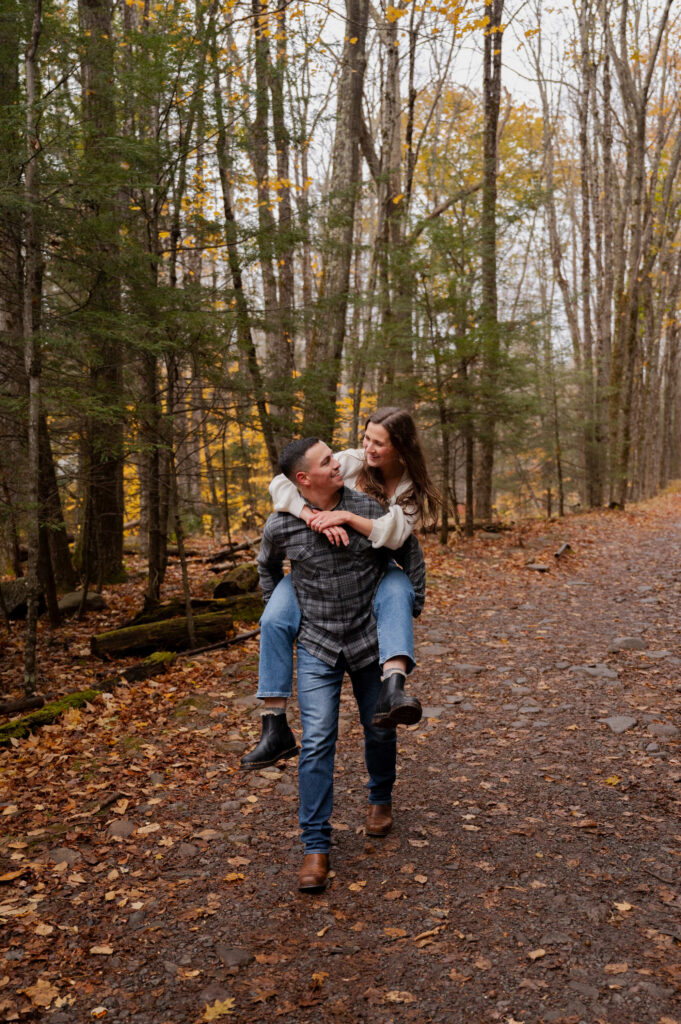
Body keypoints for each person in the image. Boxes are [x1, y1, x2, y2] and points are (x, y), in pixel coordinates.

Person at [256, 437, 426, 892]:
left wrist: (414, 600)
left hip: (368, 639)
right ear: (302, 480)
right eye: (327, 461)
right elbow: (266, 565)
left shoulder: (366, 508)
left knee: (379, 726)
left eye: (335, 458)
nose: (339, 464)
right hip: (317, 646)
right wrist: (280, 608)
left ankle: (380, 798)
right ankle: (316, 848)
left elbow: (408, 549)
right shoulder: (282, 525)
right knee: (316, 742)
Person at [241, 407, 440, 771]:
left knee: (397, 592)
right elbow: (283, 483)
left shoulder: (409, 488)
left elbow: (398, 538)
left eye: (378, 443)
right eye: (366, 438)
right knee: (272, 619)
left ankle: (394, 685)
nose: (368, 448)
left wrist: (346, 517)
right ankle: (274, 724)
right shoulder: (350, 462)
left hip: (372, 570)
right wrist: (310, 516)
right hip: (314, 572)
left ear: (400, 447)